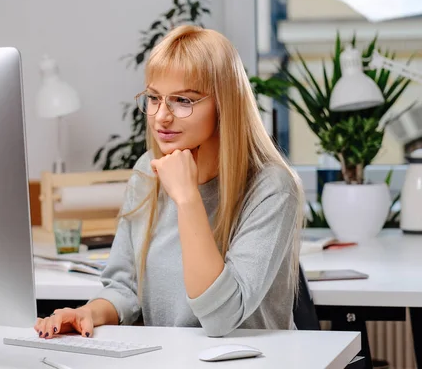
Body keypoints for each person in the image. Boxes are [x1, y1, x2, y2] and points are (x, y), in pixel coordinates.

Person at [34, 25, 304, 339]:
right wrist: (87, 313)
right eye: (154, 98)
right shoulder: (147, 172)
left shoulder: (272, 187)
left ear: (223, 107)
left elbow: (222, 318)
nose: (162, 115)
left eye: (182, 100)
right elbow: (124, 288)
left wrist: (187, 198)